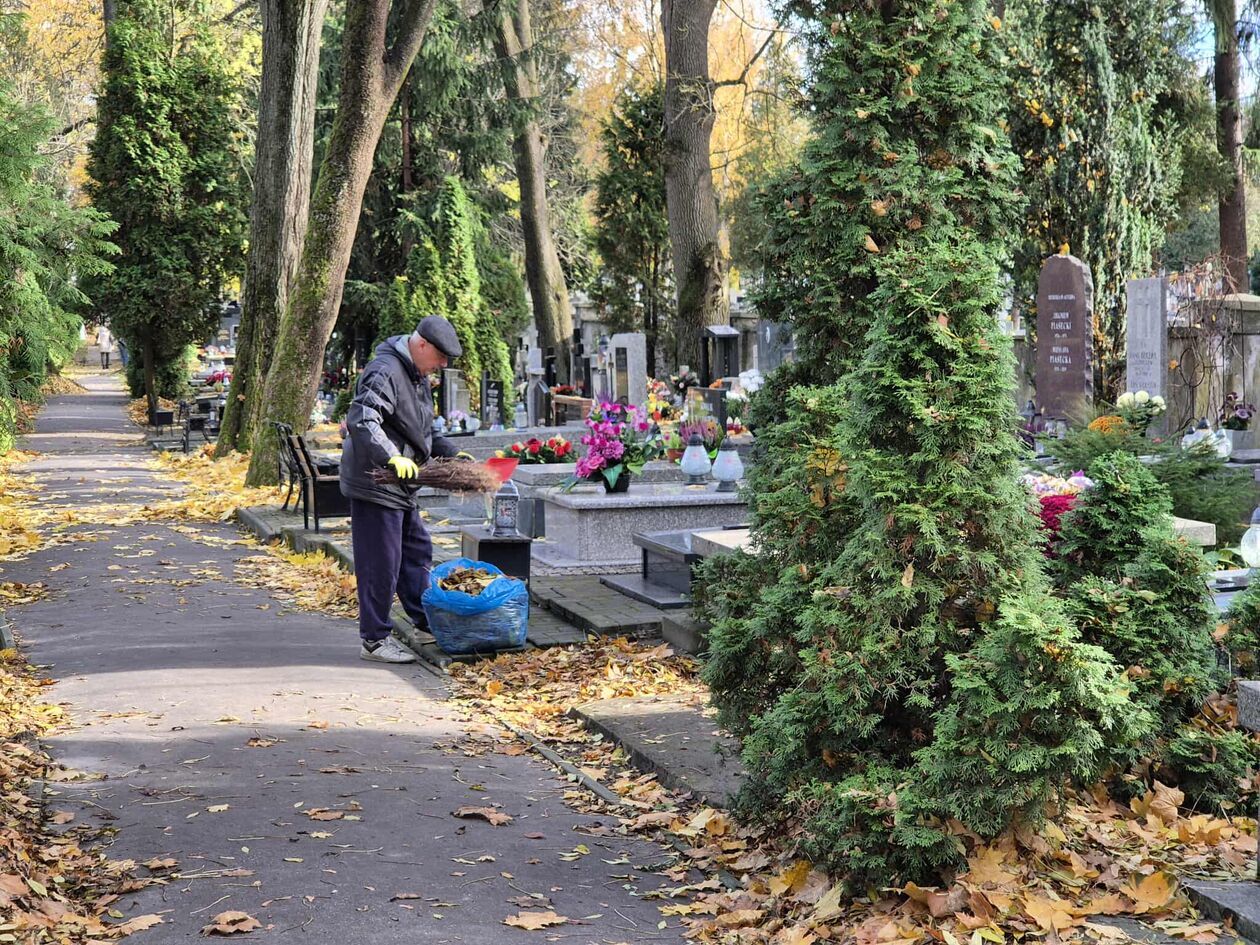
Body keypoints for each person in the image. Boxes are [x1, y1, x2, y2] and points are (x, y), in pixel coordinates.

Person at [339, 315, 466, 663]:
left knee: (416, 551)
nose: (442, 365)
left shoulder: (415, 375)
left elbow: (423, 431)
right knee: (381, 563)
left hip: (401, 486)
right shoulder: (386, 370)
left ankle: (423, 621)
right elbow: (363, 418)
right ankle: (374, 640)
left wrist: (455, 455)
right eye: (440, 356)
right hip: (375, 481)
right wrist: (392, 457)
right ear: (421, 344)